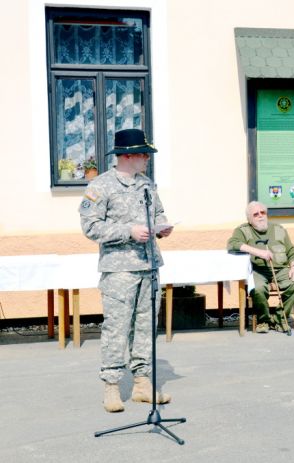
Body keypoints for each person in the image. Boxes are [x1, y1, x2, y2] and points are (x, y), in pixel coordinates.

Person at [79, 128, 173, 413]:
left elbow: (157, 212)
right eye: (144, 153)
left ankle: (143, 385)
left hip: (149, 266)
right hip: (119, 270)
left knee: (145, 326)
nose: (147, 158)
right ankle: (111, 386)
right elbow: (90, 227)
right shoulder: (100, 186)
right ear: (128, 155)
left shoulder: (147, 184)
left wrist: (162, 226)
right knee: (117, 328)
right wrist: (129, 231)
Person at [227, 201, 294, 333]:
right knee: (258, 288)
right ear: (249, 220)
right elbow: (232, 244)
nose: (260, 216)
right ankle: (264, 320)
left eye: (263, 212)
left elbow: (292, 252)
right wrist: (258, 252)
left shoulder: (279, 229)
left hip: (280, 269)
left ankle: (280, 317)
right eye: (255, 214)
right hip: (257, 270)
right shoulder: (243, 230)